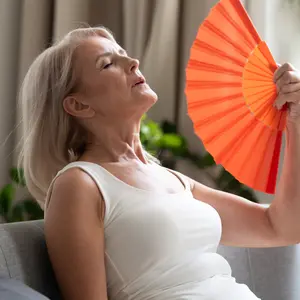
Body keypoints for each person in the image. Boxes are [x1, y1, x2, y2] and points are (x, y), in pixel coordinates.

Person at [18, 26, 300, 300]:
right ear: (79, 105)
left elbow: (281, 227)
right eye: (107, 64)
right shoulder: (80, 184)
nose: (133, 62)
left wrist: (295, 122)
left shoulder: (171, 179)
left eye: (124, 53)